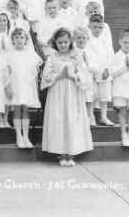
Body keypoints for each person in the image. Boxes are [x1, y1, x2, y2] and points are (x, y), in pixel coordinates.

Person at [40, 28, 93, 166]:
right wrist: (57, 76)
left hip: (72, 91)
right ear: (55, 43)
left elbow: (85, 75)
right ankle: (61, 153)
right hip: (57, 91)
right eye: (60, 42)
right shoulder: (52, 57)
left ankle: (71, 153)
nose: (63, 45)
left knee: (71, 119)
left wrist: (73, 76)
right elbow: (45, 76)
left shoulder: (77, 56)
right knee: (59, 120)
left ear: (70, 42)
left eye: (65, 42)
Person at [7, 28, 42, 148]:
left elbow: (35, 71)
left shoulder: (31, 55)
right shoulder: (9, 55)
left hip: (27, 85)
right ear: (12, 40)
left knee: (25, 110)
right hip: (15, 84)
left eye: (21, 37)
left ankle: (26, 136)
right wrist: (9, 87)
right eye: (16, 38)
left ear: (26, 40)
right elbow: (7, 73)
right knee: (17, 109)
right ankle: (19, 136)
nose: (19, 40)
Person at [87, 14, 115, 126]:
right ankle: (90, 116)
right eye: (94, 27)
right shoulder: (87, 39)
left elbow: (110, 54)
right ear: (90, 26)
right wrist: (94, 71)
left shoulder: (105, 39)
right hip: (92, 71)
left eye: (99, 27)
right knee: (91, 95)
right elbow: (87, 56)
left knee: (104, 95)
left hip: (104, 71)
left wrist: (107, 69)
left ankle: (104, 116)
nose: (97, 30)